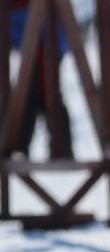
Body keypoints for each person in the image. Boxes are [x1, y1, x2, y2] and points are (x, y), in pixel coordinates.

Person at [10, 0, 74, 159]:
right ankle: (21, 146)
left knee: (44, 94)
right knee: (32, 94)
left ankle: (59, 148)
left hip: (46, 40)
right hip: (38, 39)